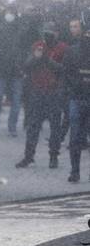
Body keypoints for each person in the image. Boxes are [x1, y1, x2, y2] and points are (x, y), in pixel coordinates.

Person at [16, 23, 67, 169]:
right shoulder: (37, 45)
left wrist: (47, 60)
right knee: (33, 125)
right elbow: (26, 66)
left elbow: (64, 70)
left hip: (54, 91)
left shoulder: (63, 48)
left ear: (57, 33)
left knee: (55, 126)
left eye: (51, 33)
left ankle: (53, 156)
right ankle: (28, 156)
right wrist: (36, 57)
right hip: (37, 90)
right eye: (46, 33)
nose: (48, 36)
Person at [0, 5, 29, 137]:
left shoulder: (21, 30)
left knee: (15, 100)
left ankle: (11, 127)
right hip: (0, 70)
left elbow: (24, 51)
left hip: (16, 71)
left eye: (12, 12)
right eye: (8, 12)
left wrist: (23, 67)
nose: (10, 15)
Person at [61, 25, 90, 183]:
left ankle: (75, 171)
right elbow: (66, 74)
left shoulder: (72, 50)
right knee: (75, 137)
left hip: (78, 97)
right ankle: (75, 170)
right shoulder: (72, 51)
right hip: (77, 97)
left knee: (76, 137)